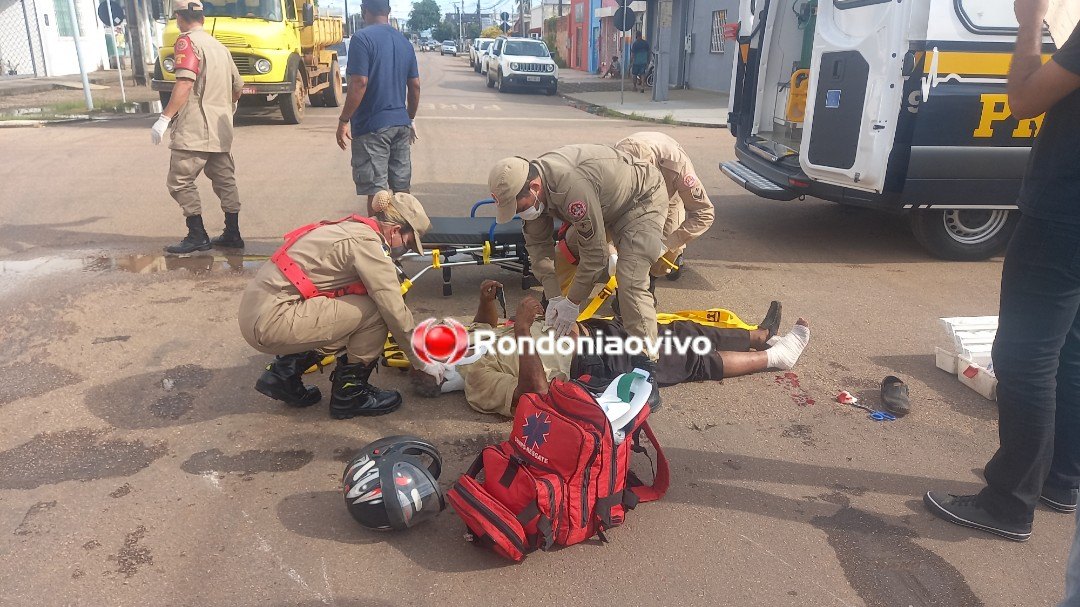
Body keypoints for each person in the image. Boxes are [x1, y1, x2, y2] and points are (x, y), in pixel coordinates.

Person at [923, 8, 1080, 543]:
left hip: (1065, 210)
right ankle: (1060, 480)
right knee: (1070, 349)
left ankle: (1009, 503)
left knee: (1026, 355)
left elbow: (1024, 98)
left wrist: (1031, 20)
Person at [410, 281, 809, 418]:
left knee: (674, 328)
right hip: (589, 363)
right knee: (688, 357)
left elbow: (483, 325)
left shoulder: (471, 348)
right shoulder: (477, 382)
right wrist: (523, 330)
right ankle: (776, 356)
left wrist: (485, 301)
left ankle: (760, 335)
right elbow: (532, 396)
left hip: (586, 332)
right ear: (440, 369)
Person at [238, 191, 443, 420]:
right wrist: (422, 360)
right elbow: (392, 307)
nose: (405, 250)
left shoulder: (353, 227)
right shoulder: (368, 245)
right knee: (376, 310)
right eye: (407, 243)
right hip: (271, 321)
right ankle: (351, 395)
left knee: (351, 310)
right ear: (395, 230)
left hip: (259, 312)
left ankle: (284, 373)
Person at [488, 145, 669, 376]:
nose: (519, 213)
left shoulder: (570, 189)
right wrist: (554, 297)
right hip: (604, 205)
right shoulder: (533, 189)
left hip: (640, 200)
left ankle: (646, 365)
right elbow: (538, 249)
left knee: (631, 280)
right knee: (570, 249)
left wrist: (572, 303)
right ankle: (617, 299)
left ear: (534, 187)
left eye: (519, 207)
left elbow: (594, 255)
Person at [151, 0, 244, 255]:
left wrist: (164, 118)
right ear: (202, 17)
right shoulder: (220, 47)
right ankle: (233, 233)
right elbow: (238, 87)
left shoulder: (186, 42)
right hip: (220, 129)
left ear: (180, 18)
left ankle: (197, 235)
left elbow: (184, 83)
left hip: (194, 128)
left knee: (180, 181)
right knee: (225, 180)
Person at [336, 0, 420, 215]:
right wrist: (408, 118)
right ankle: (404, 240)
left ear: (364, 11)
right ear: (389, 12)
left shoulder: (362, 39)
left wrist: (344, 120)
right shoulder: (404, 42)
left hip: (372, 126)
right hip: (400, 124)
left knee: (377, 191)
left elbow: (359, 83)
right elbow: (415, 86)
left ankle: (378, 245)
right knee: (402, 189)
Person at [615, 131, 715, 278]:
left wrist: (667, 245)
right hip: (631, 201)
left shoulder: (677, 167)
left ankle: (658, 273)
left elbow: (704, 213)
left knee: (664, 255)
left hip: (670, 196)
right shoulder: (615, 159)